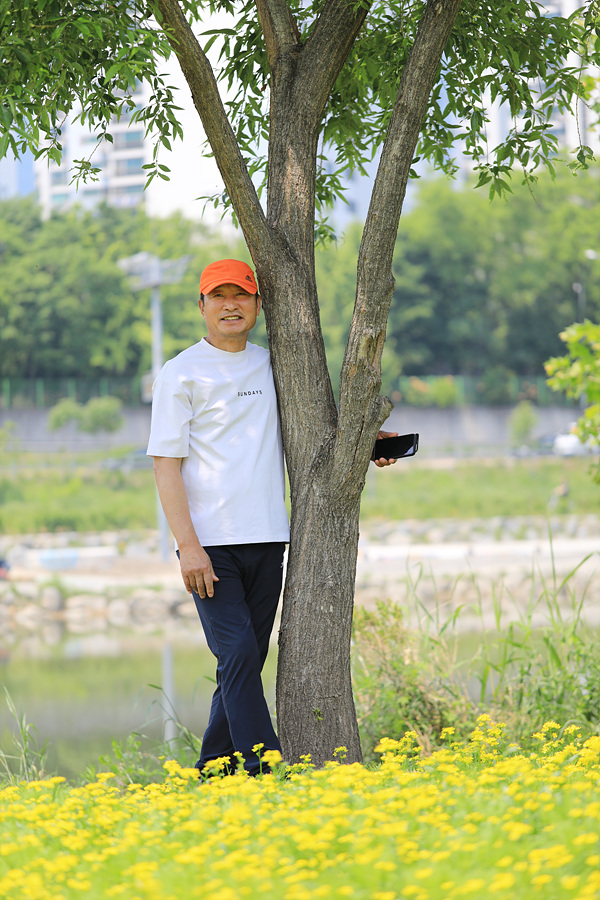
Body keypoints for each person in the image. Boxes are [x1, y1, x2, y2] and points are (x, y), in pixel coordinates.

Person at [147, 258, 396, 777]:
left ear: (258, 305)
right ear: (201, 305)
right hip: (209, 544)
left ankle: (213, 768)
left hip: (268, 537)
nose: (230, 305)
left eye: (241, 295)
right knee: (237, 652)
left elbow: (312, 425)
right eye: (219, 296)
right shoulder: (181, 372)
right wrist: (188, 547)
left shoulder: (272, 364)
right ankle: (266, 767)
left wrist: (368, 442)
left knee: (244, 659)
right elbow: (165, 466)